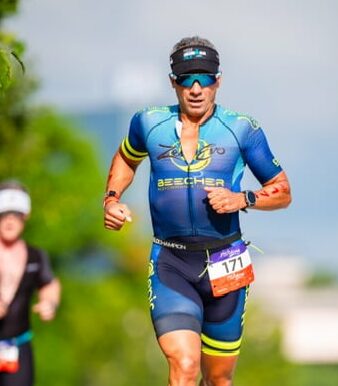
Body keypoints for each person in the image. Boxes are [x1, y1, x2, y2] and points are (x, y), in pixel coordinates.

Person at [104, 36, 291, 386]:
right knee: (185, 364)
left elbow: (283, 192)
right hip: (171, 263)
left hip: (225, 264)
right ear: (172, 82)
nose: (195, 88)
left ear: (218, 80)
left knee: (218, 379)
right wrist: (112, 198)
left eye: (204, 78)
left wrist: (243, 199)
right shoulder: (148, 123)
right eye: (186, 78)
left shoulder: (242, 128)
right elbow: (125, 159)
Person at [0, 181, 61, 386]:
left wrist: (49, 303)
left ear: (25, 217)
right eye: (4, 215)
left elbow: (49, 283)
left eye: (15, 215)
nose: (9, 221)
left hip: (17, 348)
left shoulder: (36, 256)